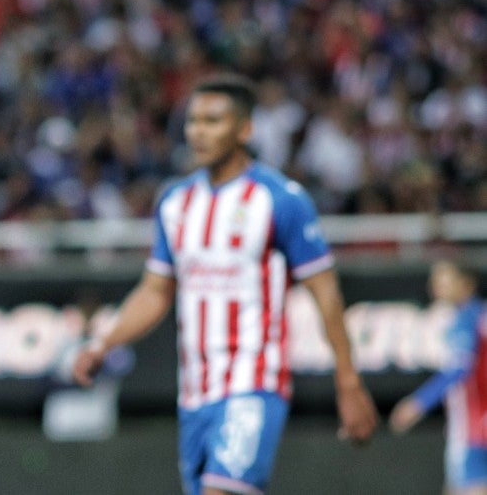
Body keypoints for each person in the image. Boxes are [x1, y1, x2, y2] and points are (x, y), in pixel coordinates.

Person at [72, 74, 378, 495]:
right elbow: (155, 291)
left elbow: (325, 293)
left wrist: (348, 381)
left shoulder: (281, 199)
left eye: (213, 120)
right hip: (195, 393)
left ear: (245, 129)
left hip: (254, 382)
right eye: (193, 120)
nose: (198, 131)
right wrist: (104, 343)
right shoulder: (175, 202)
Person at [390, 260, 487, 495]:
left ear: (465, 284)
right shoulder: (477, 316)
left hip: (473, 430)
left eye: (444, 279)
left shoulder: (466, 319)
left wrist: (417, 403)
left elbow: (458, 368)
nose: (435, 286)